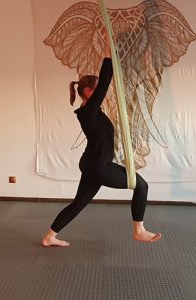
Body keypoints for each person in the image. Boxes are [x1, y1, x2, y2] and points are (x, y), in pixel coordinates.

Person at [41, 40, 161, 247]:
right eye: (96, 90)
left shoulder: (91, 112)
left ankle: (49, 237)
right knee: (141, 185)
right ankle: (138, 230)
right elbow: (105, 82)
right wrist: (108, 55)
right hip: (98, 165)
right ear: (88, 92)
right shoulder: (88, 110)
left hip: (93, 163)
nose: (101, 94)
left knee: (78, 203)